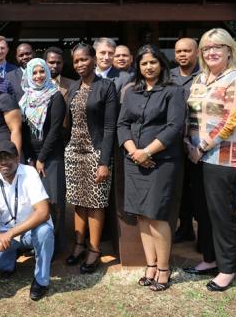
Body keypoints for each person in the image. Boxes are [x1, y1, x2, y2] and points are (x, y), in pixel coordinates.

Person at [183, 28, 236, 292]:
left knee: (222, 215)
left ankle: (227, 269)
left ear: (229, 51)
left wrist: (201, 147)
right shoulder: (200, 79)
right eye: (206, 48)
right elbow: (191, 116)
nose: (211, 52)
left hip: (225, 158)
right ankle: (210, 259)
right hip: (197, 156)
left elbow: (232, 118)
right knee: (204, 212)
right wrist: (189, 146)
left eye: (218, 47)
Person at [118, 44, 186, 291]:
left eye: (153, 62)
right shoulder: (131, 93)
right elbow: (122, 124)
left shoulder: (173, 92)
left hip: (161, 162)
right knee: (141, 215)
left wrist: (147, 151)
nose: (148, 67)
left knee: (157, 215)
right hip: (133, 161)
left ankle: (164, 268)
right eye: (144, 63)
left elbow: (174, 127)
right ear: (138, 66)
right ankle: (150, 265)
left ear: (161, 64)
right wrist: (134, 152)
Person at [64, 43, 117, 274]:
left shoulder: (107, 87)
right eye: (76, 61)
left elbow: (109, 127)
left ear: (94, 59)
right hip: (74, 152)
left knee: (95, 203)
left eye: (83, 59)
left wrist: (104, 161)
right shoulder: (73, 88)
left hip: (96, 153)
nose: (79, 64)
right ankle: (79, 245)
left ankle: (94, 249)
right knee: (78, 201)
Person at [0, 141, 54, 301]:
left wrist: (10, 234)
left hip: (30, 230)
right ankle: (9, 262)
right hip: (6, 233)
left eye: (8, 157)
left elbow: (43, 212)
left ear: (17, 158)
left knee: (45, 232)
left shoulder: (30, 173)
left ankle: (41, 280)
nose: (4, 162)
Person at [19, 58, 66, 253]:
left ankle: (54, 247)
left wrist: (41, 159)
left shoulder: (55, 97)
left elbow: (55, 130)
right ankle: (38, 243)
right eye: (35, 72)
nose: (38, 76)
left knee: (53, 201)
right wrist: (30, 157)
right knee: (36, 203)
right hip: (33, 158)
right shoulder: (25, 98)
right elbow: (24, 130)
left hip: (51, 157)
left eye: (42, 72)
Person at [170, 37, 200, 244]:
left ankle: (203, 233)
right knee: (179, 187)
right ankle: (185, 227)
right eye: (178, 51)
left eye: (187, 51)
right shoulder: (168, 76)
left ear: (196, 52)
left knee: (198, 187)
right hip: (173, 142)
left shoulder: (206, 76)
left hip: (198, 143)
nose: (182, 54)